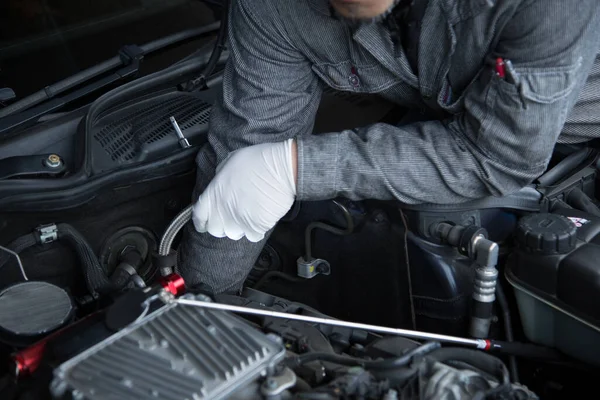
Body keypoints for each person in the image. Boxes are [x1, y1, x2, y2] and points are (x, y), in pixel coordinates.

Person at [176, 0, 600, 293]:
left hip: (577, 133)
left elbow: (497, 156)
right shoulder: (275, 9)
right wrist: (198, 304)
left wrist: (299, 168)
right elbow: (242, 173)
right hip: (454, 115)